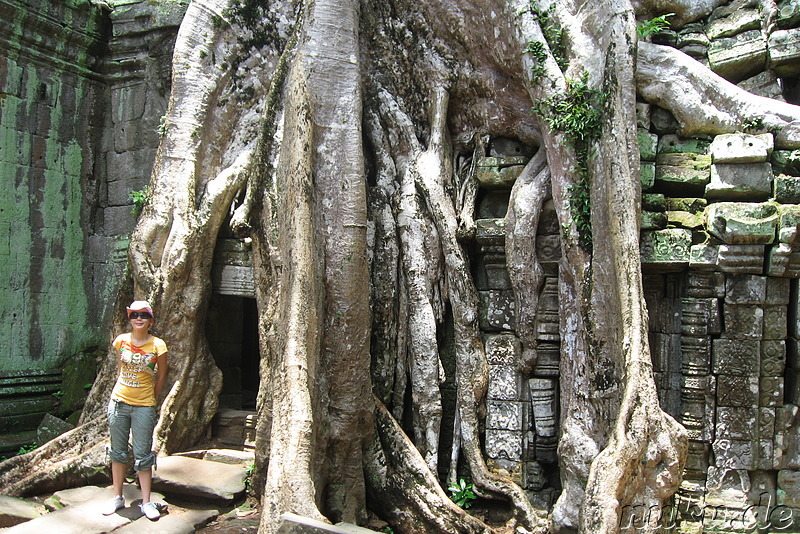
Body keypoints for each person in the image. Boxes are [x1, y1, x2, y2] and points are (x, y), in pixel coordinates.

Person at [102, 300, 169, 520]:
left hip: (144, 406)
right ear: (129, 319)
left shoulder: (158, 345)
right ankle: (118, 497)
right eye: (134, 315)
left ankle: (146, 502)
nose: (138, 318)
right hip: (119, 402)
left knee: (143, 454)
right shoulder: (121, 341)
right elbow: (120, 369)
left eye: (143, 315)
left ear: (151, 320)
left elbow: (161, 376)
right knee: (117, 451)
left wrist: (151, 398)